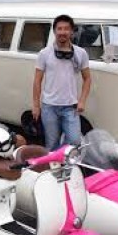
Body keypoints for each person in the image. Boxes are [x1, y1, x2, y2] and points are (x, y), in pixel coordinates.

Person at [31, 14, 92, 150]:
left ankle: (64, 160)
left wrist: (82, 100)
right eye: (59, 29)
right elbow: (37, 80)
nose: (62, 32)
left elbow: (87, 78)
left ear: (71, 32)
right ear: (54, 31)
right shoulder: (44, 53)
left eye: (66, 29)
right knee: (51, 144)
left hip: (71, 107)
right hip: (49, 107)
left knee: (75, 141)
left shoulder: (80, 53)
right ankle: (54, 166)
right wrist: (36, 105)